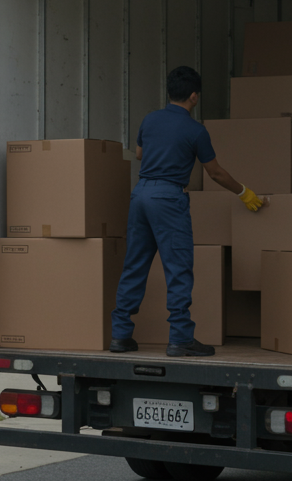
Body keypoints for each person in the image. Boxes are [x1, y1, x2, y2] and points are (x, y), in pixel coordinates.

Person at [110, 65, 265, 358]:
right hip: (168, 198)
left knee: (134, 264)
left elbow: (140, 154)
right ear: (194, 96)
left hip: (141, 194)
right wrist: (244, 192)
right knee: (178, 268)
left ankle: (120, 335)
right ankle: (180, 339)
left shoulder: (150, 119)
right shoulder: (196, 130)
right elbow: (215, 173)